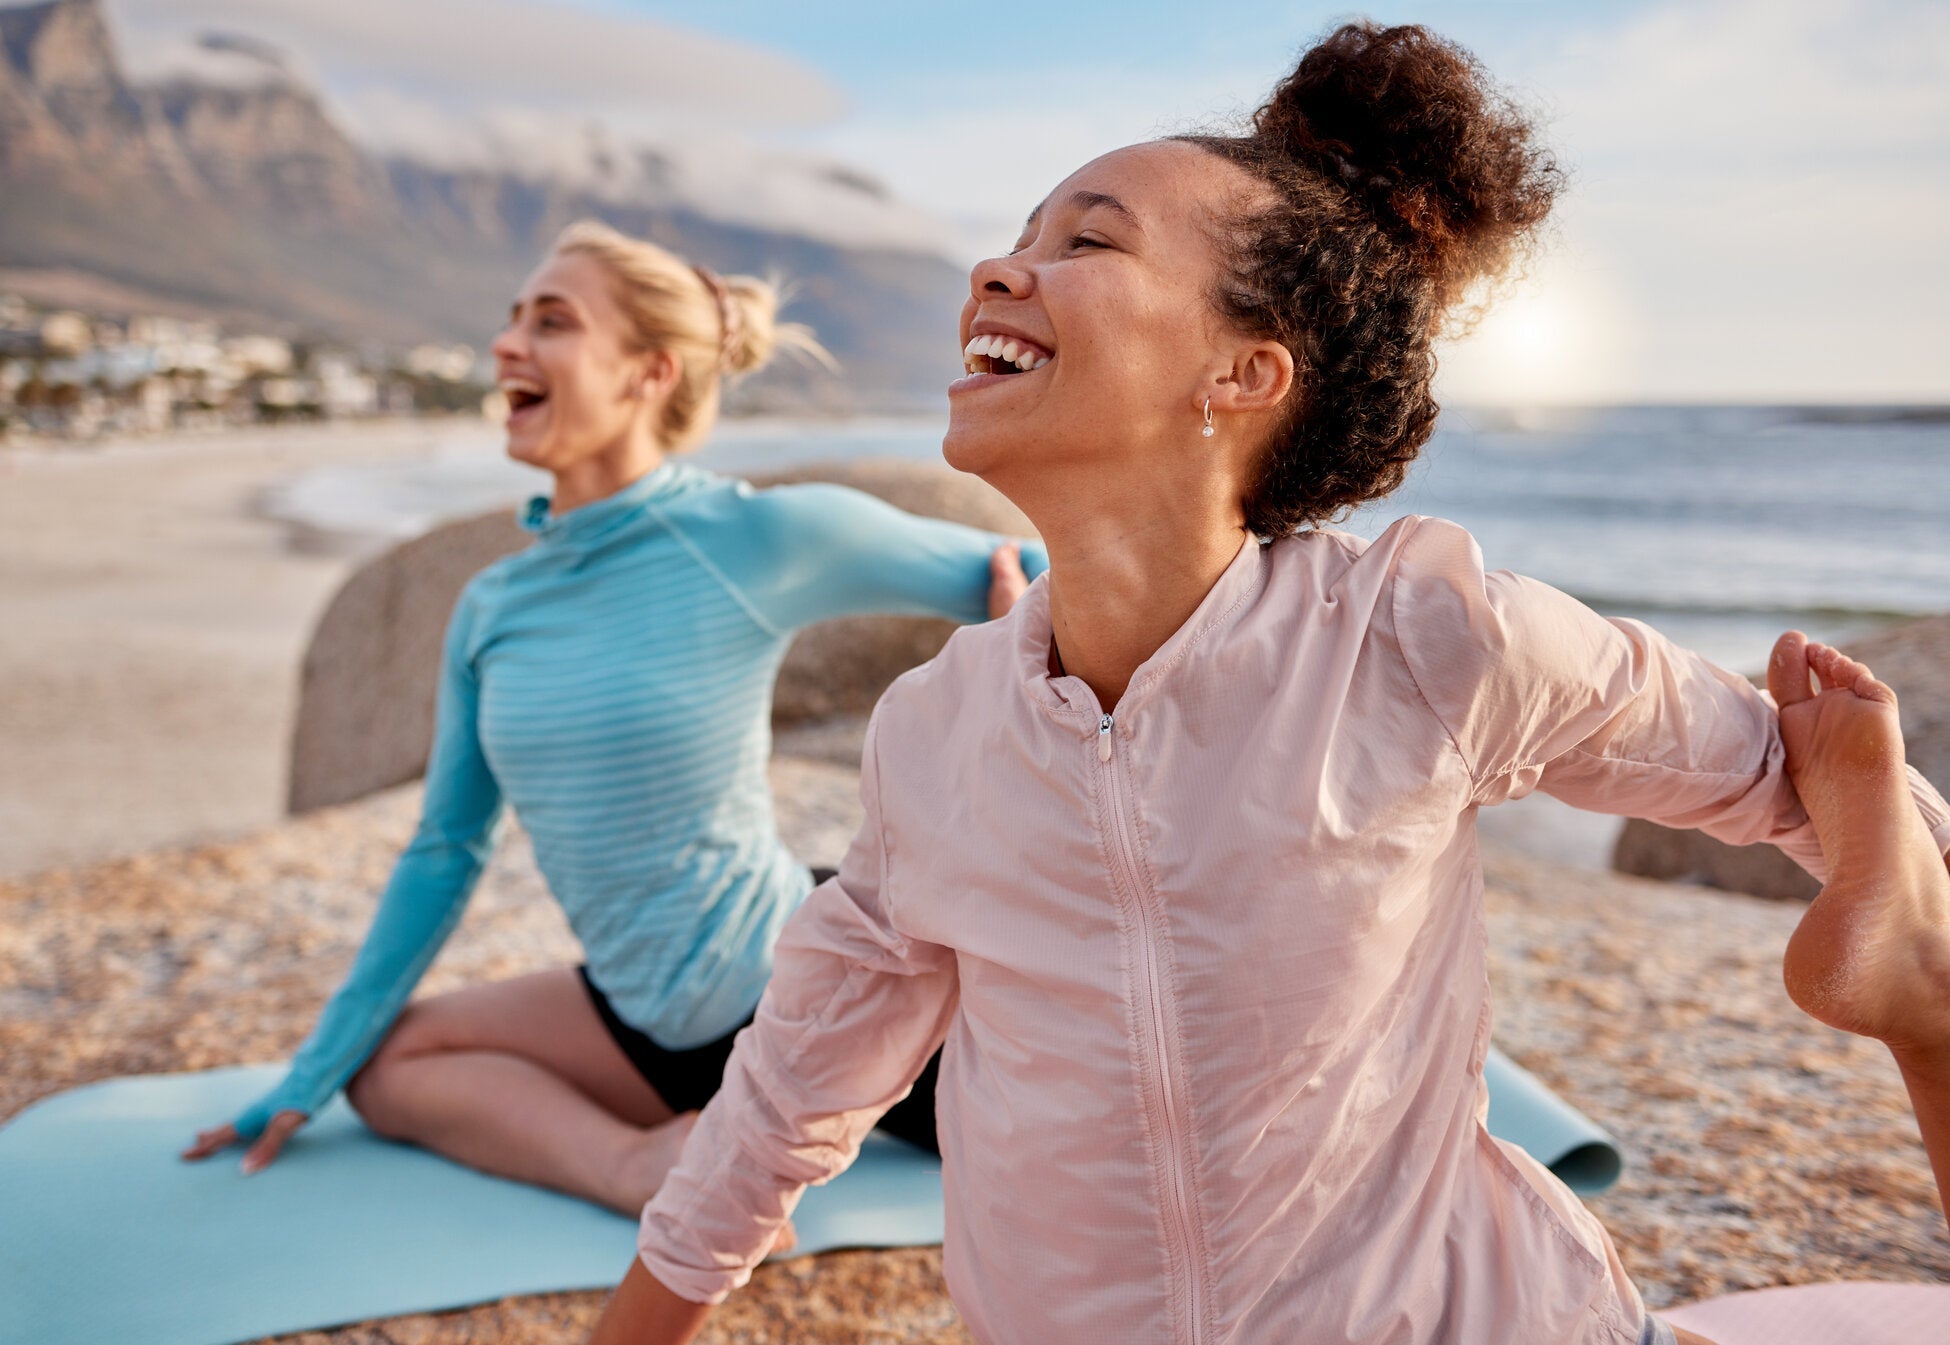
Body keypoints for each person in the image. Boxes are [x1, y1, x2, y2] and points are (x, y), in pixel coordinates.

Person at [587, 22, 1950, 1345]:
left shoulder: (1416, 636)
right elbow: (789, 1087)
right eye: (1014, 237)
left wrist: (1873, 829)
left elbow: (1778, 764)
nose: (998, 271)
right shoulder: (934, 732)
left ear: (1243, 373)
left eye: (1084, 240)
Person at [181, 220, 1040, 1218]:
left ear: (649, 373)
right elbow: (445, 847)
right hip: (639, 1019)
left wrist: (1023, 656)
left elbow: (1028, 579)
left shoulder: (756, 534)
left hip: (802, 991)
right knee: (390, 1065)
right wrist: (310, 1071)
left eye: (551, 321)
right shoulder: (493, 606)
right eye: (510, 321)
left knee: (1050, 1155)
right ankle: (635, 1168)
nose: (506, 345)